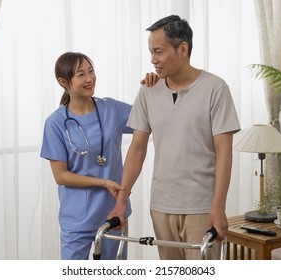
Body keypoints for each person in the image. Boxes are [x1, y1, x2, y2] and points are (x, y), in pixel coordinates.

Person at [108, 15, 241, 260]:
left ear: (182, 49)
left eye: (158, 51)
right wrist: (121, 200)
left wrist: (218, 208)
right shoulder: (148, 91)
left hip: (201, 207)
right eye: (150, 52)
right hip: (161, 206)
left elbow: (224, 152)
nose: (153, 60)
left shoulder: (215, 88)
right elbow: (137, 149)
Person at [40, 52, 157, 260]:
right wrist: (103, 182)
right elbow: (61, 176)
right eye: (81, 74)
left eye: (91, 71)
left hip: (113, 214)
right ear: (63, 82)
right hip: (77, 220)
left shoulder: (111, 109)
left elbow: (150, 117)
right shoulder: (56, 123)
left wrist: (154, 88)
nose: (89, 78)